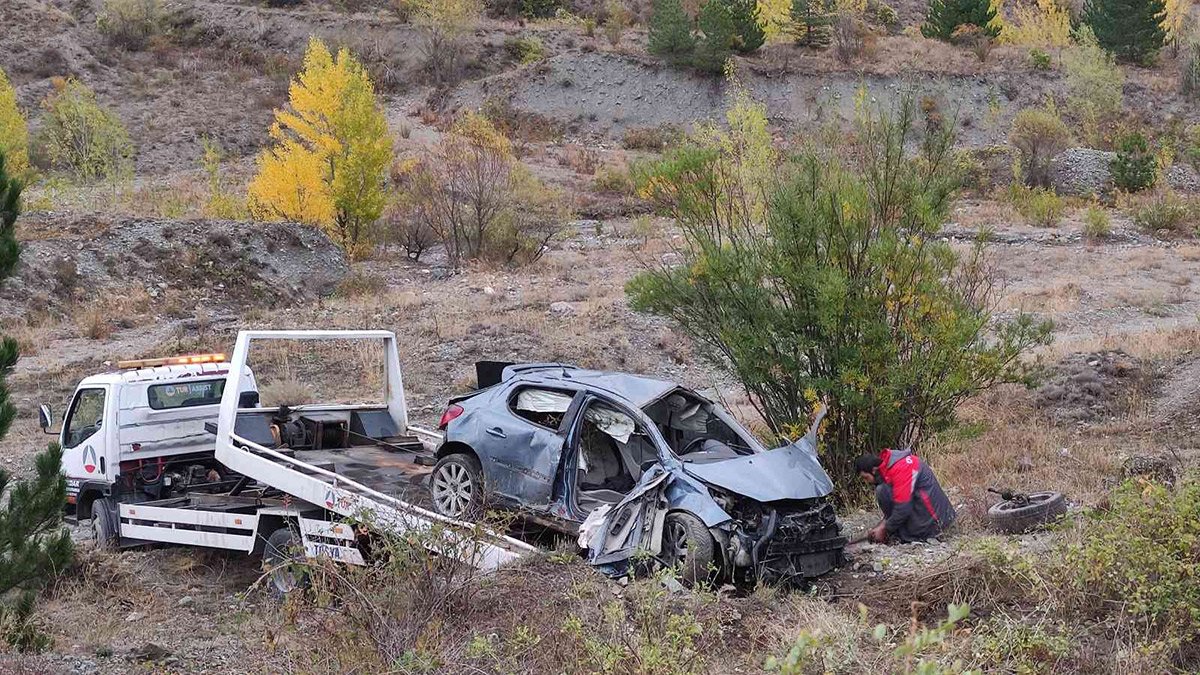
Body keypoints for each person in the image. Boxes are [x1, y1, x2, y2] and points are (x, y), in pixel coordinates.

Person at [855, 448, 955, 544]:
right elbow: (899, 501)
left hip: (937, 522)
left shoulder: (901, 468)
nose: (867, 482)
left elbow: (903, 508)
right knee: (883, 490)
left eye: (866, 478)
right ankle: (898, 531)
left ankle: (906, 534)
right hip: (931, 513)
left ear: (873, 470)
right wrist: (881, 525)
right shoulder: (889, 467)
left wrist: (885, 528)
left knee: (882, 490)